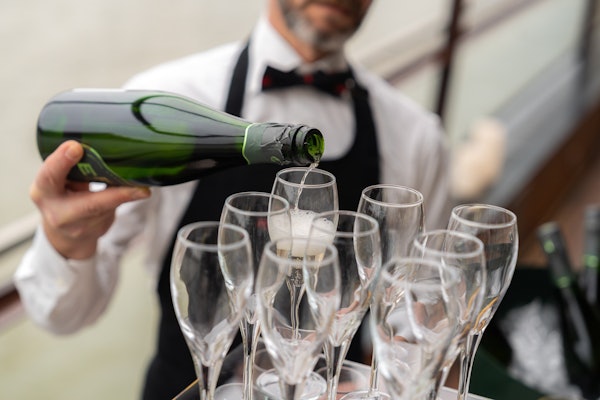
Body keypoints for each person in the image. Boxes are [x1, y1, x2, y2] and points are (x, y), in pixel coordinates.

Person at [14, 0, 452, 398]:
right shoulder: (168, 96)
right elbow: (61, 316)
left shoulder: (416, 136)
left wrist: (386, 379)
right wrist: (67, 243)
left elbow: (415, 311)